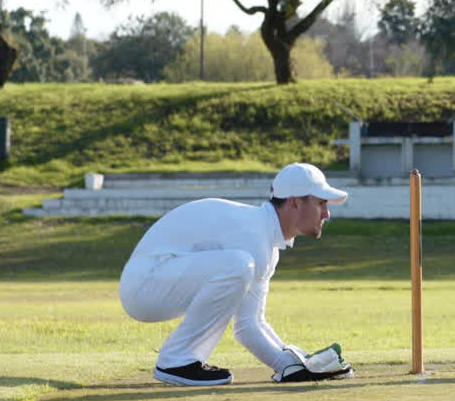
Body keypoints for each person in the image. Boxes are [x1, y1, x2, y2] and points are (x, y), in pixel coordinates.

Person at [119, 162, 355, 386]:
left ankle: (179, 360)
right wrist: (290, 366)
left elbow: (250, 325)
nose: (326, 214)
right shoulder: (253, 237)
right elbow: (247, 326)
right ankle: (176, 361)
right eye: (321, 204)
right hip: (145, 286)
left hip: (154, 284)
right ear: (294, 203)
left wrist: (293, 365)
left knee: (238, 264)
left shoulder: (266, 244)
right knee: (238, 263)